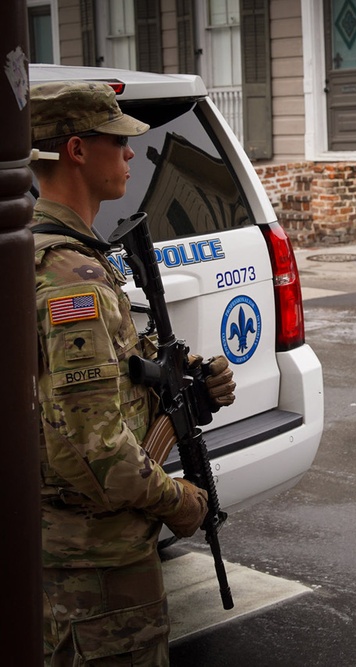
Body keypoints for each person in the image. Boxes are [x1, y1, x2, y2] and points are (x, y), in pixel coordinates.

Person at [31, 81, 235, 665]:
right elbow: (97, 450)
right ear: (75, 149)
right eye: (117, 142)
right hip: (95, 559)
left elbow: (106, 369)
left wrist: (186, 373)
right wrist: (181, 502)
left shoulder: (57, 252)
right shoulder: (72, 276)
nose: (129, 154)